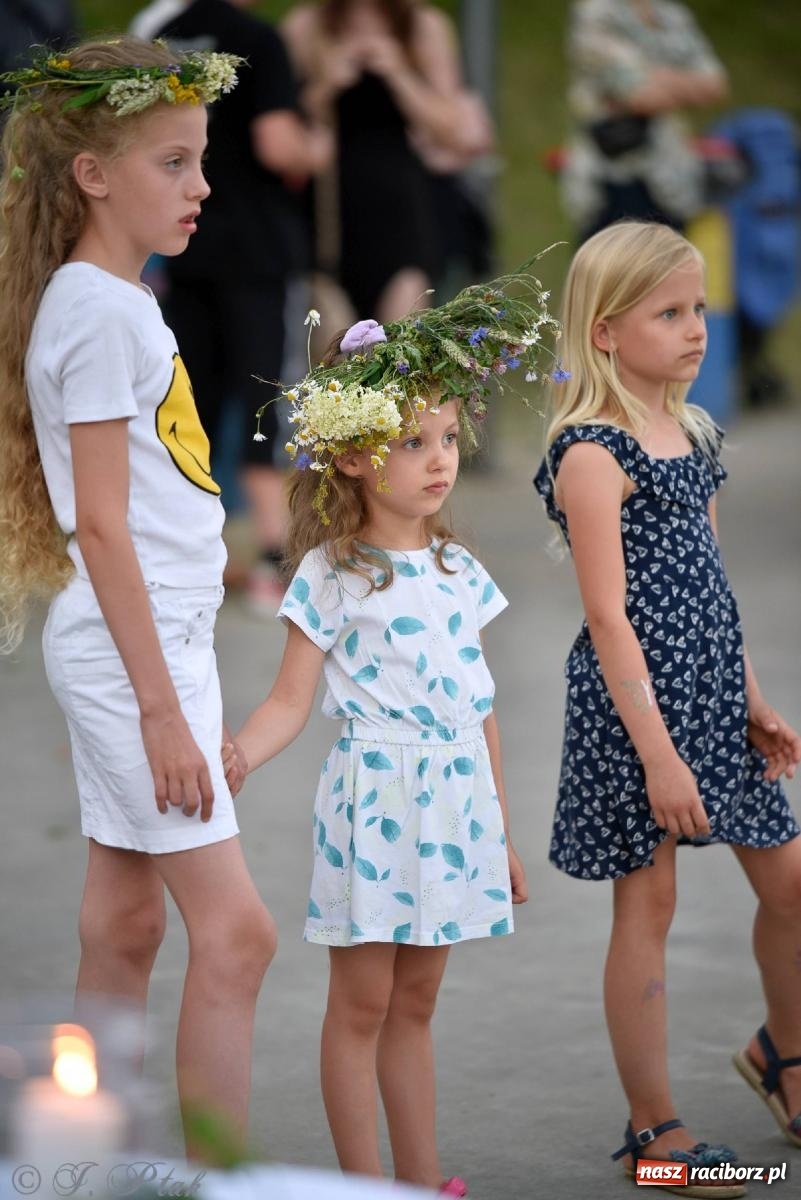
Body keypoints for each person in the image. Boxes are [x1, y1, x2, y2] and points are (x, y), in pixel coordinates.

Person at [226, 268, 560, 1191]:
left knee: (416, 1005)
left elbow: (478, 706)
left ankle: (420, 1177)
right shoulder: (334, 572)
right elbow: (291, 700)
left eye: (447, 436)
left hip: (455, 807)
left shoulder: (458, 569)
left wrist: (495, 830)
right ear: (348, 457)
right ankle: (363, 1184)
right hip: (376, 801)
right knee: (363, 1004)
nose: (439, 457)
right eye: (413, 441)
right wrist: (237, 753)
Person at [0, 38, 275, 1160]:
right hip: (132, 649)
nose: (201, 185)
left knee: (121, 924)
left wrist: (177, 688)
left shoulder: (107, 298)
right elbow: (104, 524)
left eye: (201, 160)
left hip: (149, 639)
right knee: (239, 934)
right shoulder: (102, 311)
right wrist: (162, 709)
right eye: (174, 162)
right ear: (93, 176)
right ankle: (214, 1179)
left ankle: (77, 1168)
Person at [533, 221, 801, 1195]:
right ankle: (655, 1129)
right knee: (649, 905)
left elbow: (714, 585)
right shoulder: (590, 453)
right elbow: (607, 620)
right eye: (671, 313)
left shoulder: (691, 431)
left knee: (792, 883)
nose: (697, 329)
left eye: (699, 309)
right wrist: (660, 755)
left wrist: (753, 700)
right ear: (605, 331)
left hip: (714, 692)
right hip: (636, 710)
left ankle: (784, 1054)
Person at [131, 0, 333, 616]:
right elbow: (279, 146)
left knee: (185, 398)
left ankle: (190, 557)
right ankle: (275, 558)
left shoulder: (163, 36)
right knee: (265, 395)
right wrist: (317, 139)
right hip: (254, 250)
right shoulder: (256, 40)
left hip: (181, 245)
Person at [281, 0, 486, 333]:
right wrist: (326, 86)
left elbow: (451, 129)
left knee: (401, 343)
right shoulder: (308, 25)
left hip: (401, 212)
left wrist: (400, 74)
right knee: (333, 349)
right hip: (329, 213)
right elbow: (282, 124)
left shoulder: (422, 25)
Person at [563, 0, 728, 241]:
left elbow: (715, 85)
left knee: (672, 270)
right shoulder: (597, 12)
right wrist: (687, 83)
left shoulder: (672, 15)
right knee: (613, 272)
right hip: (612, 173)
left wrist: (657, 78)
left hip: (672, 175)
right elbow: (641, 96)